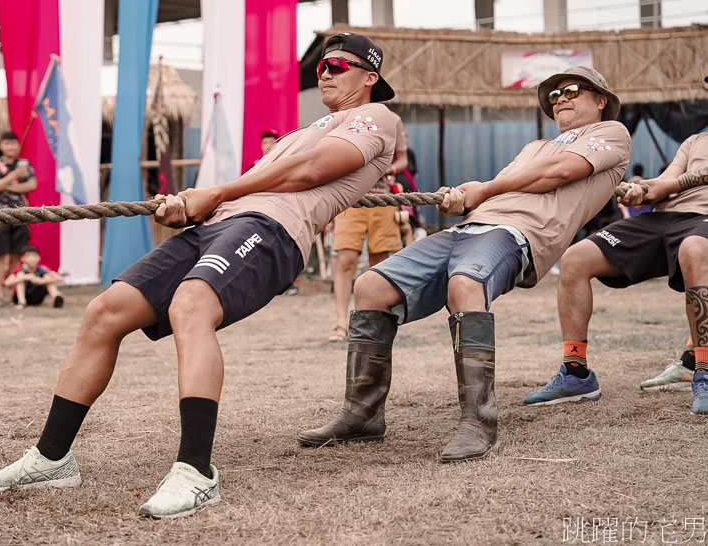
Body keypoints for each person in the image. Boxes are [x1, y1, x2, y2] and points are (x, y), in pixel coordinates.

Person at [0, 32, 400, 519]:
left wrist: (213, 192)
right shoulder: (314, 125)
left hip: (272, 231)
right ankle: (51, 459)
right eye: (322, 66)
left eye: (339, 65)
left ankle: (196, 472)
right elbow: (265, 181)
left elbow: (307, 173)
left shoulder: (377, 117)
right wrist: (193, 207)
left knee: (190, 305)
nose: (325, 72)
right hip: (221, 224)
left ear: (369, 78)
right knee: (104, 311)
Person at [298, 65, 631, 463]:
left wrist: (485, 188)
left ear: (601, 101)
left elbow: (558, 172)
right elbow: (497, 194)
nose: (561, 98)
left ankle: (478, 421)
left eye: (573, 90)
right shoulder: (532, 147)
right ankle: (362, 415)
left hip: (518, 234)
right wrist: (461, 200)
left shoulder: (611, 134)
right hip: (472, 229)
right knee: (370, 286)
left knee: (464, 285)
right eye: (555, 94)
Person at [523, 131, 708, 415]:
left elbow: (684, 179)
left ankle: (703, 372)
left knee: (694, 249)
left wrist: (665, 184)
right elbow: (664, 183)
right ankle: (576, 373)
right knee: (576, 258)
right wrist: (643, 189)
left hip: (702, 221)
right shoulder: (695, 141)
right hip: (662, 218)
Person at [329, 117, 407, 341]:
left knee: (379, 261)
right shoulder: (346, 118)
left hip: (382, 198)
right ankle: (341, 324)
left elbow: (403, 159)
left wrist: (389, 168)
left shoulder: (393, 120)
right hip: (350, 198)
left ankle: (376, 322)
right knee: (345, 260)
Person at [0, 131, 37, 305]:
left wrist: (6, 186)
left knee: (17, 255)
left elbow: (32, 185)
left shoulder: (24, 163)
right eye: (7, 143)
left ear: (17, 145)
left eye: (13, 143)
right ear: (1, 146)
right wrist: (12, 178)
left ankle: (15, 292)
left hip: (21, 214)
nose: (11, 147)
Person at [4, 245, 64, 310]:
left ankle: (56, 296)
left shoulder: (42, 268)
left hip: (37, 296)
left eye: (34, 256)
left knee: (47, 277)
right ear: (23, 259)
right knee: (20, 276)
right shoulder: (20, 269)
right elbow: (6, 283)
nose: (32, 258)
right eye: (28, 256)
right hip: (22, 295)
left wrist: (42, 281)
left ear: (39, 258)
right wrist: (26, 277)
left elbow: (60, 278)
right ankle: (22, 302)